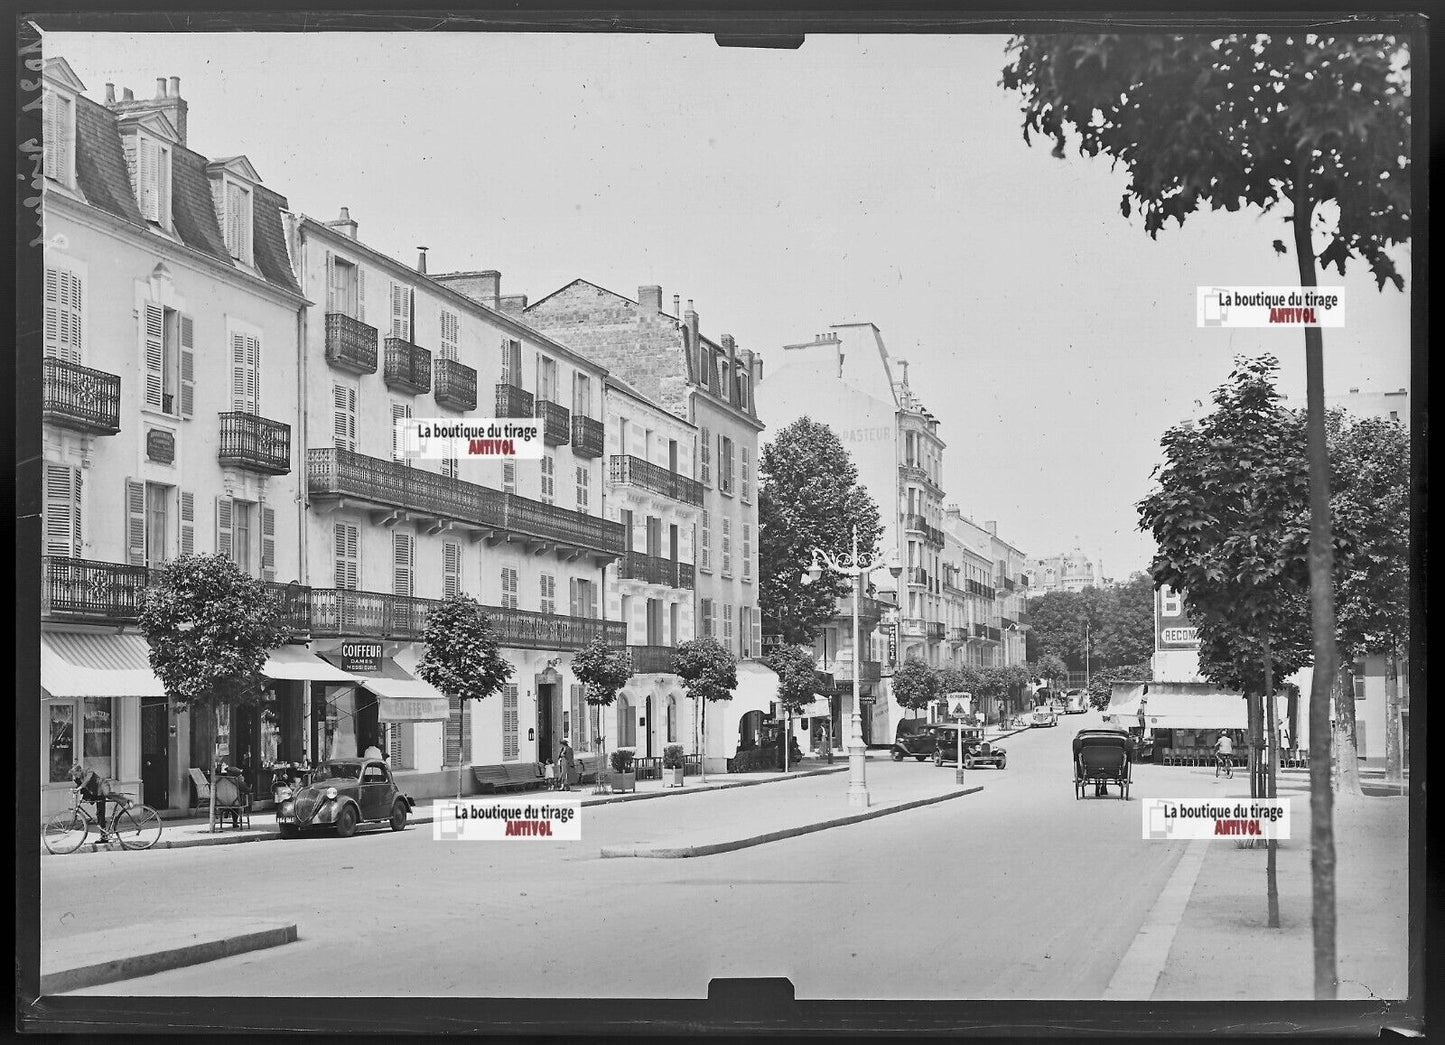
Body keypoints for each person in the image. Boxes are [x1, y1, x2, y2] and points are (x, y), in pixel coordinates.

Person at [70, 763, 116, 841]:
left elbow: (87, 781)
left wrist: (79, 788)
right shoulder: (79, 778)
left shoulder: (88, 771)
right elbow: (81, 785)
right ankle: (103, 835)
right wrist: (76, 789)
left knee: (100, 813)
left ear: (80, 770)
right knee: (98, 813)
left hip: (101, 790)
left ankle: (104, 836)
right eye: (74, 775)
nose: (75, 776)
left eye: (76, 774)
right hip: (95, 793)